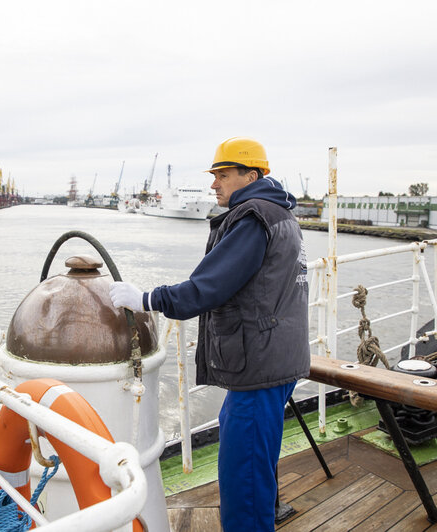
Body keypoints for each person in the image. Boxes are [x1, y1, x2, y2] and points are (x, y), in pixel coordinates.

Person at [109, 137, 310, 531]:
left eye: (222, 174)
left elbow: (209, 287)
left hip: (260, 366)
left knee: (243, 479)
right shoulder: (279, 213)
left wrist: (147, 298)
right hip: (277, 360)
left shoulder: (253, 218)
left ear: (250, 175)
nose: (214, 184)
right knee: (256, 463)